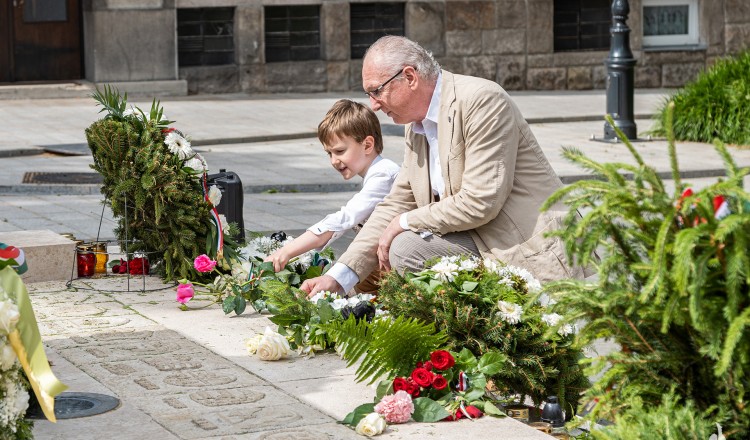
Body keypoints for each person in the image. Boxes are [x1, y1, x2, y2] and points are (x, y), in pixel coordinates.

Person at [301, 36, 589, 297]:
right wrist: (338, 277)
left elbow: (481, 201)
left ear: (409, 77)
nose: (373, 105)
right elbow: (398, 201)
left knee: (406, 246)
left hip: (520, 242)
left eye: (377, 91)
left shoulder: (481, 100)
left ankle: (480, 325)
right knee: (405, 245)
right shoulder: (415, 124)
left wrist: (404, 223)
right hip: (477, 236)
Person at [265, 99, 399, 292]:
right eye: (329, 153)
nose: (334, 161)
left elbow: (342, 220)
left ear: (368, 145)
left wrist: (287, 251)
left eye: (340, 151)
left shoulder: (383, 174)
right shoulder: (377, 172)